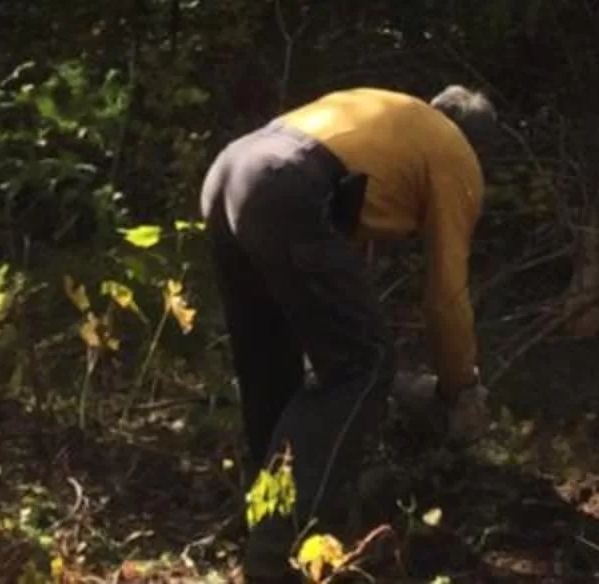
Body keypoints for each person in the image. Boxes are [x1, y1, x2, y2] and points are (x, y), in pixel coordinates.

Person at [199, 83, 498, 578]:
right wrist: (458, 385)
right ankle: (277, 556)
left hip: (231, 172)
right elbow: (446, 296)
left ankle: (260, 524)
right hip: (284, 185)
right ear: (478, 145)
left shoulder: (393, 119)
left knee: (271, 367)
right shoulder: (455, 154)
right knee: (364, 364)